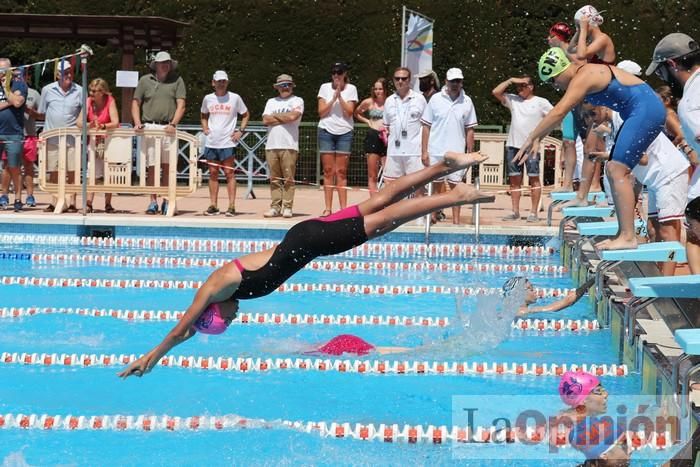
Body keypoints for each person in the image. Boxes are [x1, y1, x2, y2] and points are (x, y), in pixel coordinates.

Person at [118, 150, 493, 378]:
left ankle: (455, 195)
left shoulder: (218, 286)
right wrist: (161, 354)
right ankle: (444, 166)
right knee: (382, 202)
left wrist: (151, 357)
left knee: (387, 218)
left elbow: (181, 327)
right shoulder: (227, 291)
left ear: (214, 311)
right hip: (307, 236)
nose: (233, 319)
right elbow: (188, 332)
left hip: (313, 240)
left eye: (226, 320)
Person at [525, 48, 665, 250]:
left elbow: (559, 111)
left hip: (645, 109)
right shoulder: (583, 72)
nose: (555, 86)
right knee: (612, 169)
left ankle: (628, 236)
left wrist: (533, 136)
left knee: (616, 169)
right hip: (641, 110)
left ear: (559, 71)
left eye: (553, 81)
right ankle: (623, 233)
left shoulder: (584, 75)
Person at [646, 33, 700, 274]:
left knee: (694, 227)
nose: (663, 79)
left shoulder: (690, 101)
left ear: (672, 65)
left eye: (660, 73)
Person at [492, 75, 553, 222]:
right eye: (518, 86)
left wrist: (540, 137)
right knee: (514, 180)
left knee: (534, 178)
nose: (519, 89)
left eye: (523, 86)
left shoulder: (541, 102)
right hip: (513, 145)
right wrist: (511, 80)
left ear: (531, 87)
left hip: (531, 147)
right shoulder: (513, 100)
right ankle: (515, 211)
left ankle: (533, 212)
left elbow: (554, 118)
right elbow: (495, 92)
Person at [131, 51, 186, 215]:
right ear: (156, 65)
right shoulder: (144, 80)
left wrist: (173, 124)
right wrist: (137, 123)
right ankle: (153, 201)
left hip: (168, 127)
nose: (165, 65)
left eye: (167, 62)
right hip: (150, 126)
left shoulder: (177, 80)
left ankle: (167, 201)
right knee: (152, 166)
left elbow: (181, 104)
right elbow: (136, 102)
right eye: (162, 62)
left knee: (169, 167)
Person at [421, 67, 478, 225]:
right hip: (436, 150)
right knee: (435, 187)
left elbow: (470, 129)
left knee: (456, 187)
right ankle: (432, 218)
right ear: (446, 81)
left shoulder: (467, 101)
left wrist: (470, 153)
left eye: (458, 81)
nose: (455, 84)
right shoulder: (436, 99)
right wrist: (424, 151)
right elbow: (426, 127)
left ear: (461, 82)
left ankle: (456, 222)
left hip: (457, 152)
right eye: (452, 81)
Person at [200, 70, 249, 217]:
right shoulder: (208, 98)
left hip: (228, 142)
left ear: (227, 82)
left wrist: (240, 130)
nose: (221, 84)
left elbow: (245, 114)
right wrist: (205, 128)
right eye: (219, 81)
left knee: (229, 173)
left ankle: (232, 206)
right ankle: (213, 205)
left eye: (224, 81)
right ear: (213, 83)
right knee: (213, 173)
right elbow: (203, 114)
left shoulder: (235, 98)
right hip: (212, 142)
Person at [382, 67, 428, 219]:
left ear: (410, 80)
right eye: (397, 78)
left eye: (404, 78)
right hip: (394, 152)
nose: (400, 81)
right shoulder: (389, 101)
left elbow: (427, 125)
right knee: (390, 188)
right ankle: (391, 219)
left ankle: (420, 220)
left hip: (414, 151)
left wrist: (424, 151)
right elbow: (386, 126)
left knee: (418, 188)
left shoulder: (419, 99)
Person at [37, 61, 82, 213]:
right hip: (52, 138)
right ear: (57, 75)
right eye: (64, 72)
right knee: (54, 171)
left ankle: (72, 202)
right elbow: (42, 113)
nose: (68, 75)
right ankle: (55, 200)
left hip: (71, 139)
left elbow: (84, 114)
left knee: (72, 171)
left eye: (70, 72)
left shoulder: (80, 91)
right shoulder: (47, 90)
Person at [557, 371, 630, 465]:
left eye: (603, 390)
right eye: (599, 391)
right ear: (583, 400)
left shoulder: (587, 422)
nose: (606, 394)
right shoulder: (570, 428)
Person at [317, 62, 358, 216]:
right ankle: (328, 208)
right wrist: (333, 98)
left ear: (344, 74)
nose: (336, 75)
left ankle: (343, 209)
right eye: (334, 72)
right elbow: (321, 112)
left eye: (339, 72)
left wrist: (340, 96)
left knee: (341, 172)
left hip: (344, 132)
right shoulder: (324, 87)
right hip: (326, 130)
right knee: (328, 171)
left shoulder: (351, 89)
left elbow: (349, 112)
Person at [261, 73, 304, 218]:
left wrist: (276, 118)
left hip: (289, 144)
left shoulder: (297, 100)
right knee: (274, 178)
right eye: (283, 85)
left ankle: (287, 206)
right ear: (277, 87)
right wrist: (285, 118)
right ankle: (275, 206)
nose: (285, 88)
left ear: (292, 86)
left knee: (288, 178)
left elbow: (293, 117)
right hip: (272, 144)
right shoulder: (271, 102)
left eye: (288, 85)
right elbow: (265, 120)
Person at [75, 78, 119, 213]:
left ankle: (108, 203)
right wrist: (89, 125)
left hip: (109, 140)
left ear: (102, 91)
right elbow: (79, 122)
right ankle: (88, 203)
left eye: (94, 91)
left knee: (109, 173)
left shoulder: (110, 101)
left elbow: (116, 122)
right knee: (91, 172)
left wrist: (103, 126)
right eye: (90, 90)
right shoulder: (88, 102)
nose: (91, 93)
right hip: (94, 141)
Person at [548, 22, 580, 193]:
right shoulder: (556, 54)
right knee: (568, 141)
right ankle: (567, 184)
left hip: (583, 100)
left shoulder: (571, 51)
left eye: (551, 36)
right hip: (570, 100)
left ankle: (592, 185)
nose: (548, 39)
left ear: (558, 37)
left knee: (591, 144)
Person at [0, 58, 27, 212]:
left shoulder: (19, 84)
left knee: (14, 167)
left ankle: (17, 198)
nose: (1, 74)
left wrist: (5, 89)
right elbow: (14, 101)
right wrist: (11, 100)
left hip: (13, 133)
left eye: (4, 70)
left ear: (10, 71)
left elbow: (18, 103)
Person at [354, 78, 387, 197]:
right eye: (376, 89)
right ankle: (374, 201)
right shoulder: (369, 102)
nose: (378, 91)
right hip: (373, 135)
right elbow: (356, 112)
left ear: (385, 89)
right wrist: (367, 121)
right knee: (372, 174)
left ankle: (387, 200)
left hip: (387, 136)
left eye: (380, 89)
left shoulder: (390, 101)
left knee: (388, 172)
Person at [503, 275, 594, 316]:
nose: (535, 290)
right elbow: (568, 301)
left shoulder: (511, 310)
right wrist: (593, 281)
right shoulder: (523, 312)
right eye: (530, 289)